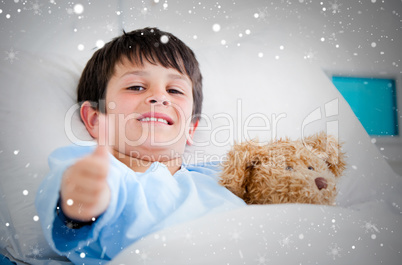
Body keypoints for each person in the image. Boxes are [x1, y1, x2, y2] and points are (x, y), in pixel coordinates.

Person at [35, 27, 246, 264]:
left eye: (174, 90)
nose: (159, 96)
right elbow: (74, 199)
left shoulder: (224, 174)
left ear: (191, 129)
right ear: (95, 119)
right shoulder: (104, 174)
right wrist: (80, 203)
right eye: (136, 87)